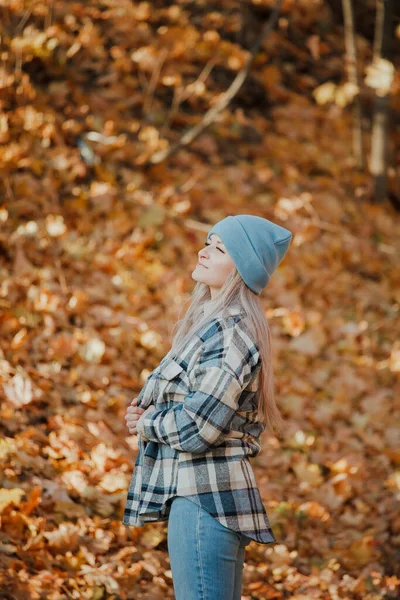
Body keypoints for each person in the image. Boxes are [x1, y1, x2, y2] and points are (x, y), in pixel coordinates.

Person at [123, 214, 293, 600]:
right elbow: (181, 408)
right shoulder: (207, 326)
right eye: (208, 242)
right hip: (204, 499)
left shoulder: (230, 333)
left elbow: (198, 428)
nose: (204, 252)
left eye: (219, 248)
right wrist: (143, 415)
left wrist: (148, 423)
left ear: (242, 268)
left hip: (204, 501)